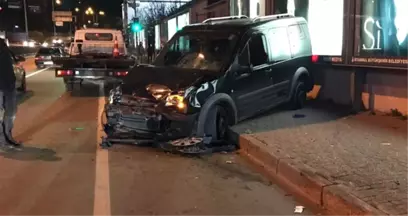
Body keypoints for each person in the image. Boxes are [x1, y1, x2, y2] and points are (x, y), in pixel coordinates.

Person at [0, 38, 22, 150]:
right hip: (4, 87)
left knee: (11, 113)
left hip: (9, 86)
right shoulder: (5, 47)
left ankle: (7, 138)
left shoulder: (5, 47)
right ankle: (3, 141)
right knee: (4, 115)